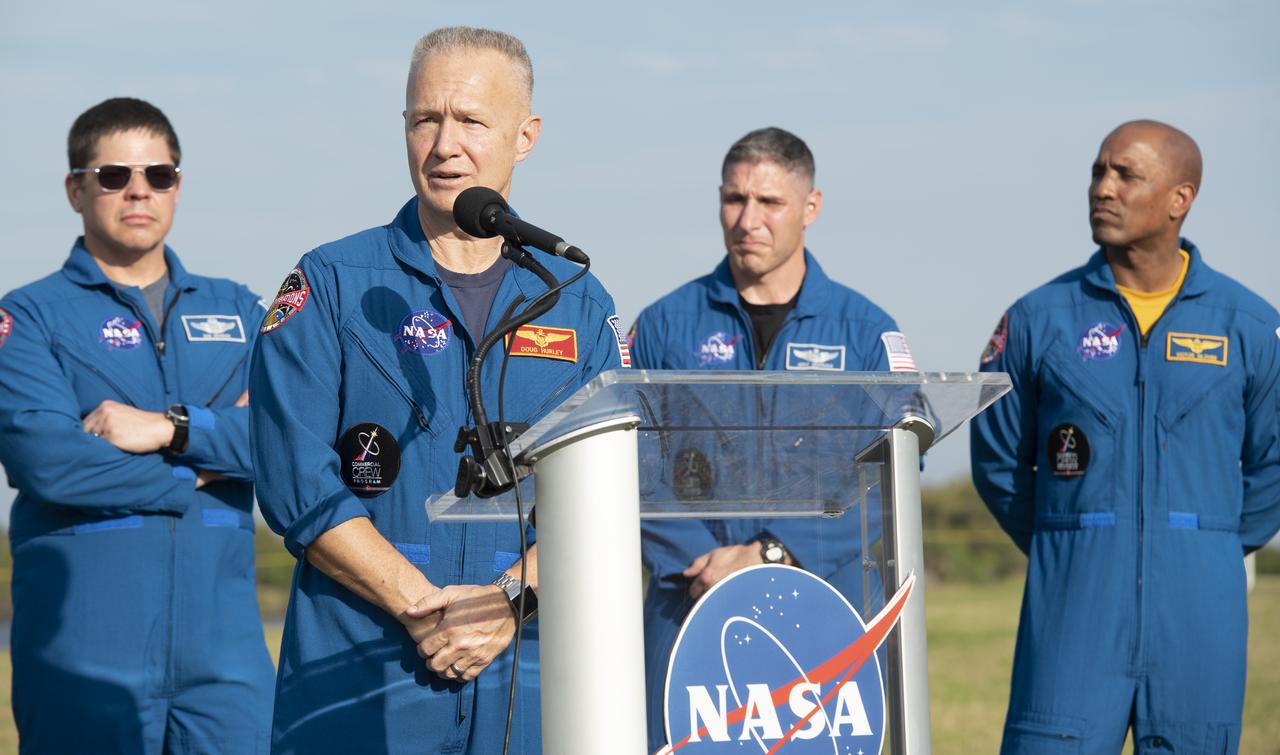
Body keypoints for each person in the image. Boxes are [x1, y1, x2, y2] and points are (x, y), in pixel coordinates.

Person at [249, 27, 626, 754]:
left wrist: (508, 602)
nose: (444, 143)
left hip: (526, 669)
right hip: (360, 668)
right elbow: (295, 479)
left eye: (472, 121)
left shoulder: (574, 299)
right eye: (426, 119)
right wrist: (423, 607)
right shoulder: (331, 282)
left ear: (526, 136)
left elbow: (610, 490)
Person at [971, 120, 1280, 752]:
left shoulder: (1250, 326)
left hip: (1200, 614)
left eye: (1125, 175)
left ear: (1179, 199)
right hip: (1072, 612)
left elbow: (1275, 466)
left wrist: (1206, 541)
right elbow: (998, 458)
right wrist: (1072, 540)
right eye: (1097, 171)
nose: (1102, 189)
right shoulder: (1036, 320)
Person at [629, 126, 918, 751]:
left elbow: (887, 476)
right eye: (734, 199)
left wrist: (771, 555)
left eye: (770, 203)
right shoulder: (662, 327)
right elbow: (630, 465)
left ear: (811, 207)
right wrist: (707, 564)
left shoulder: (866, 333)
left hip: (824, 609)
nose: (747, 219)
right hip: (690, 605)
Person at [0, 97, 274, 752]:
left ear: (178, 185)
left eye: (160, 174)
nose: (139, 190)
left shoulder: (237, 309)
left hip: (227, 659)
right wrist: (207, 466)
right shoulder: (29, 317)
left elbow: (292, 434)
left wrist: (171, 429)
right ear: (75, 189)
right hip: (84, 655)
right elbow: (47, 459)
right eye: (114, 175)